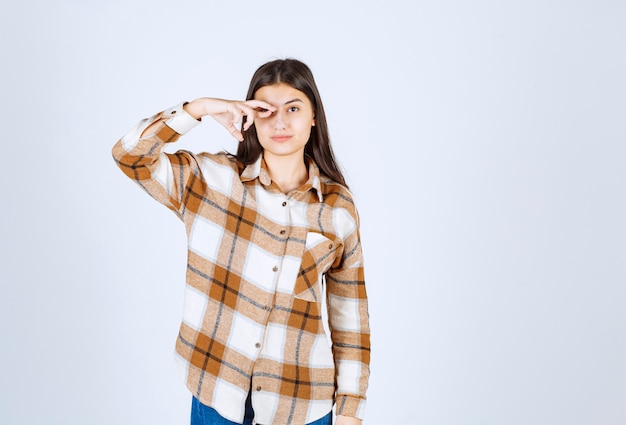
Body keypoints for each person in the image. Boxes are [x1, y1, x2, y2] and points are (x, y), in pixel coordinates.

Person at [112, 58, 370, 425]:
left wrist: (350, 411)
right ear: (250, 116)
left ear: (314, 116)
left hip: (301, 405)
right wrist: (197, 109)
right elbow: (129, 157)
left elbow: (350, 318)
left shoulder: (337, 209)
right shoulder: (211, 181)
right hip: (216, 395)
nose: (280, 122)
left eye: (293, 108)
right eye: (266, 110)